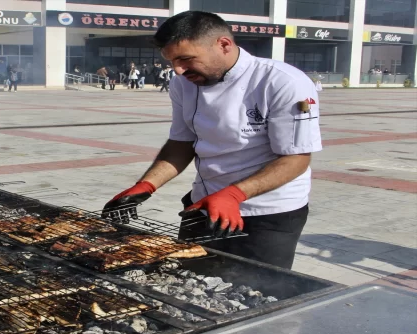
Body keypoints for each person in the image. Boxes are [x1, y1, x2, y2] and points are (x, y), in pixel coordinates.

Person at [101, 11, 323, 270]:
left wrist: (234, 194)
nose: (178, 70)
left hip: (268, 214)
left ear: (224, 45)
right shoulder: (183, 84)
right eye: (172, 61)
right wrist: (147, 185)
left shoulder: (283, 82)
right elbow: (181, 143)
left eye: (186, 59)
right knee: (187, 280)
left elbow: (296, 158)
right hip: (203, 205)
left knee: (257, 294)